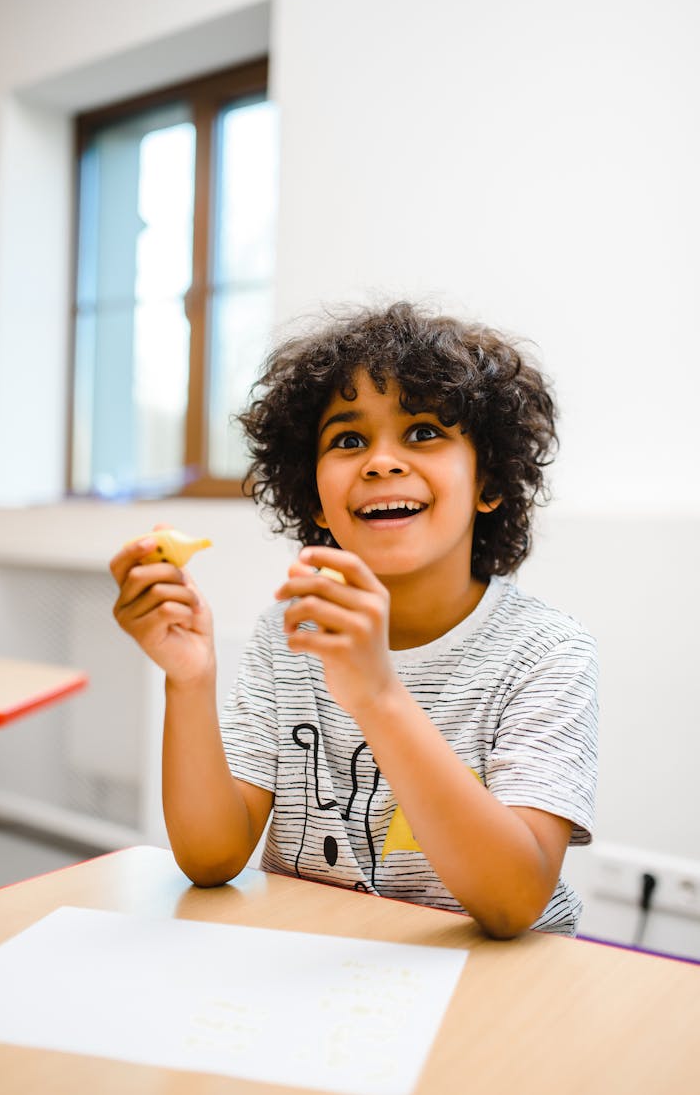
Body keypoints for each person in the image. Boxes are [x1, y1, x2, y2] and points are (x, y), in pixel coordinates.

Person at [110, 302, 597, 939]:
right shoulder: (289, 633)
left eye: (424, 431)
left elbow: (514, 903)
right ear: (314, 494)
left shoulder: (546, 652)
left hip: (492, 995)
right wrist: (190, 680)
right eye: (348, 439)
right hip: (321, 973)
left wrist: (378, 694)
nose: (380, 462)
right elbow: (210, 857)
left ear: (490, 480)